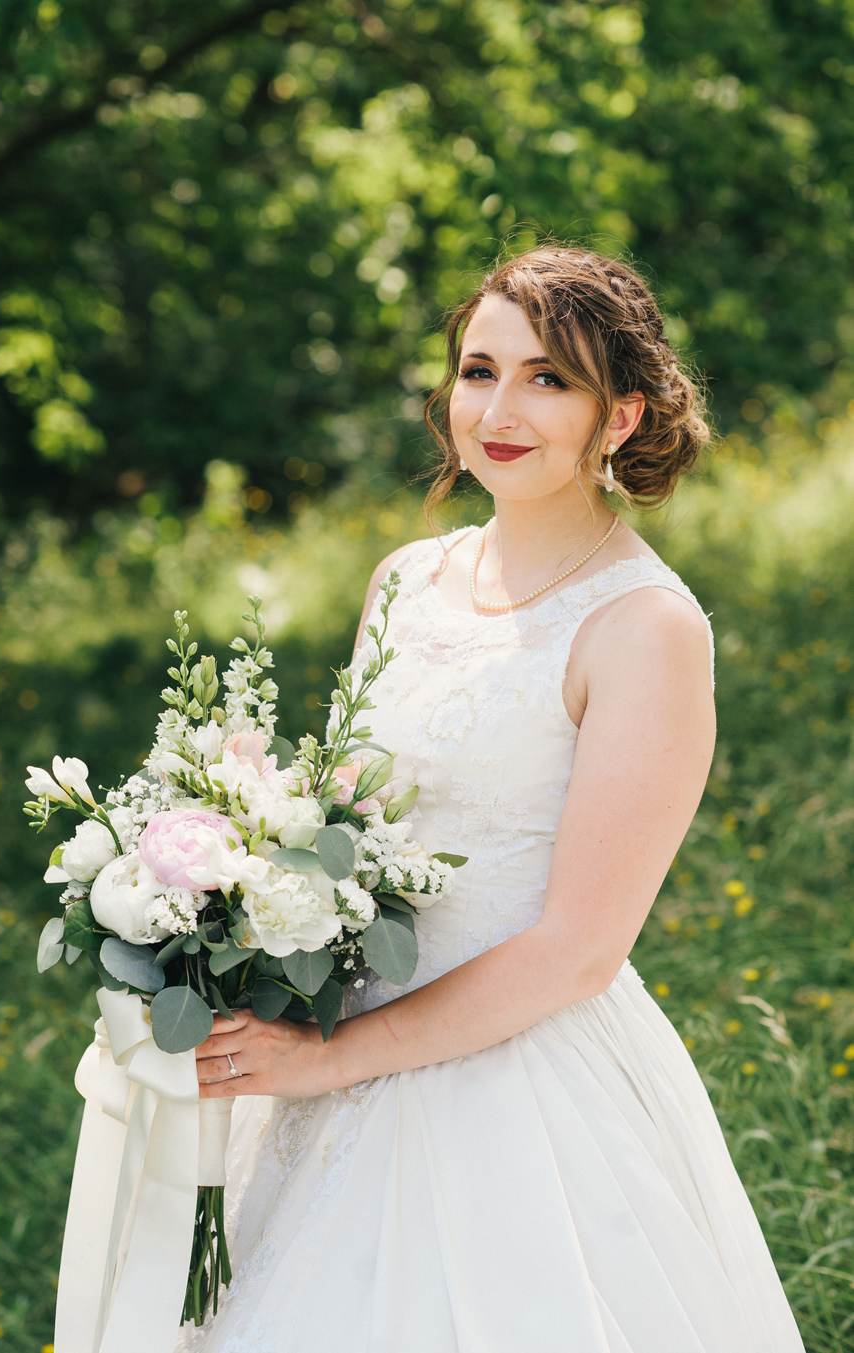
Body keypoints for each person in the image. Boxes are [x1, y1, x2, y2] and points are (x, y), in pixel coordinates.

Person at [179, 246, 805, 1352]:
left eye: (548, 379)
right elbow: (353, 830)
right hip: (339, 1035)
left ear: (620, 417)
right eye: (479, 370)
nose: (500, 411)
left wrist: (332, 1062)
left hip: (516, 1081)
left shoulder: (646, 630)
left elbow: (578, 949)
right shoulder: (406, 581)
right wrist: (244, 842)